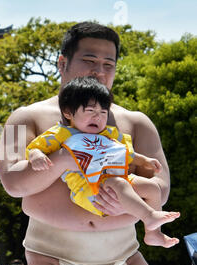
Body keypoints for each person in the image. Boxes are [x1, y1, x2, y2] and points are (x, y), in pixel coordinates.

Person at [0, 21, 169, 265]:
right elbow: (13, 183)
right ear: (62, 63)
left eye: (108, 65)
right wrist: (66, 158)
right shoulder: (27, 116)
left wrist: (126, 199)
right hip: (52, 259)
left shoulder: (136, 122)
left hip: (124, 258)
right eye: (89, 60)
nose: (99, 71)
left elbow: (161, 187)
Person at [26, 77, 179, 248]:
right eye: (90, 111)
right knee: (120, 184)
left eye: (103, 113)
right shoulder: (61, 134)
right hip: (88, 189)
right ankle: (149, 216)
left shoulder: (109, 134)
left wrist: (145, 161)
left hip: (115, 181)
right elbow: (35, 148)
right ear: (68, 112)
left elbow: (125, 154)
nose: (97, 117)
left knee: (152, 188)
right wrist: (36, 156)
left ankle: (153, 234)